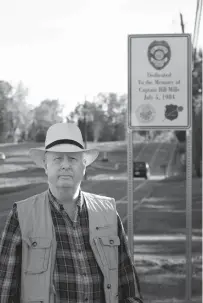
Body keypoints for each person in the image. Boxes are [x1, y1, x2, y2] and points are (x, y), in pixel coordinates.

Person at [0, 122, 143, 303]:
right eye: (58, 159)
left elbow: (128, 285)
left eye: (73, 159)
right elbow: (5, 290)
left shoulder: (108, 213)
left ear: (84, 166)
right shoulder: (21, 215)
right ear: (45, 165)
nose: (65, 166)